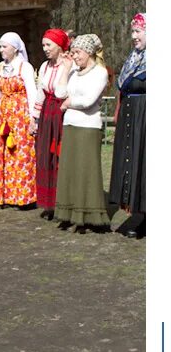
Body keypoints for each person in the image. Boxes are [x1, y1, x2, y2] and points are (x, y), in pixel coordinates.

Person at [53, 34, 111, 233]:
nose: (75, 56)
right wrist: (66, 69)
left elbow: (88, 101)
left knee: (86, 170)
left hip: (88, 127)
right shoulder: (74, 73)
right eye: (74, 52)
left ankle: (89, 214)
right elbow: (59, 93)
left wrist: (70, 103)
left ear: (88, 52)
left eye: (78, 52)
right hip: (70, 125)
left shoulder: (100, 73)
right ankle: (70, 214)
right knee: (70, 169)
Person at [0, 32, 38, 208]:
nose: (1, 50)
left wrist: (33, 119)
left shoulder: (25, 67)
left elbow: (32, 95)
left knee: (20, 155)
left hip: (21, 117)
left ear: (15, 48)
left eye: (4, 46)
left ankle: (23, 196)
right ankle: (5, 195)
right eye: (0, 46)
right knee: (3, 155)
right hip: (3, 117)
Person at [109, 12, 147, 238]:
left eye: (138, 31)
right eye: (132, 31)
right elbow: (124, 88)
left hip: (147, 115)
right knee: (133, 164)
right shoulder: (133, 58)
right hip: (131, 115)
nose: (134, 36)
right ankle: (139, 212)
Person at [32, 29, 73, 220]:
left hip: (61, 112)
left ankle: (62, 202)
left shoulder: (69, 67)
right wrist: (35, 118)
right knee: (45, 155)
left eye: (49, 45)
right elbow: (41, 92)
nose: (45, 49)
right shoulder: (44, 66)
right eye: (43, 45)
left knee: (59, 155)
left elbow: (66, 92)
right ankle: (48, 203)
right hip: (47, 112)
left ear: (59, 46)